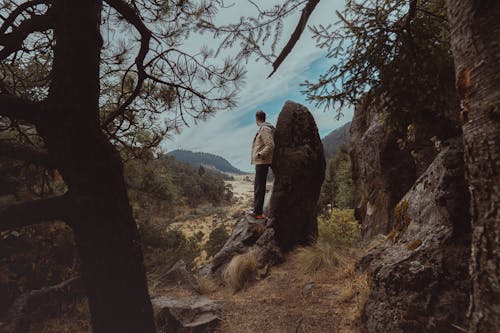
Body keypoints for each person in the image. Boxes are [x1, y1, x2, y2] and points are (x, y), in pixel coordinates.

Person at [248, 110, 275, 219]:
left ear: (256, 119)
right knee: (259, 186)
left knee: (259, 186)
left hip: (262, 161)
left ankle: (257, 212)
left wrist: (260, 155)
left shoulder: (264, 129)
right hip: (262, 161)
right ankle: (257, 210)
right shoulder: (266, 128)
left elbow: (270, 145)